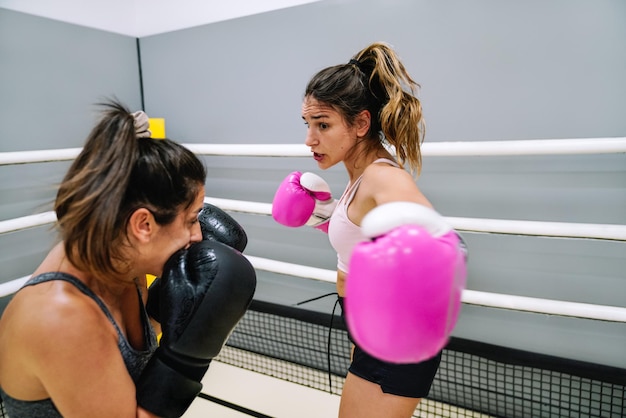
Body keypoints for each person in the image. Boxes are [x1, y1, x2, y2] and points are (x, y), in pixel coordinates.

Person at [0, 100, 256, 417]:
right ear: (143, 225)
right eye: (191, 220)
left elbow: (125, 355)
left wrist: (171, 310)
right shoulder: (63, 318)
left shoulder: (122, 261)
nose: (199, 236)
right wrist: (186, 360)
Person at [272, 42, 467, 418]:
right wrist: (328, 219)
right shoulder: (359, 177)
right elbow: (364, 238)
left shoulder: (379, 177)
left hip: (392, 341)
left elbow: (446, 245)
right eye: (308, 124)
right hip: (366, 329)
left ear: (361, 123)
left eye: (323, 124)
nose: (310, 139)